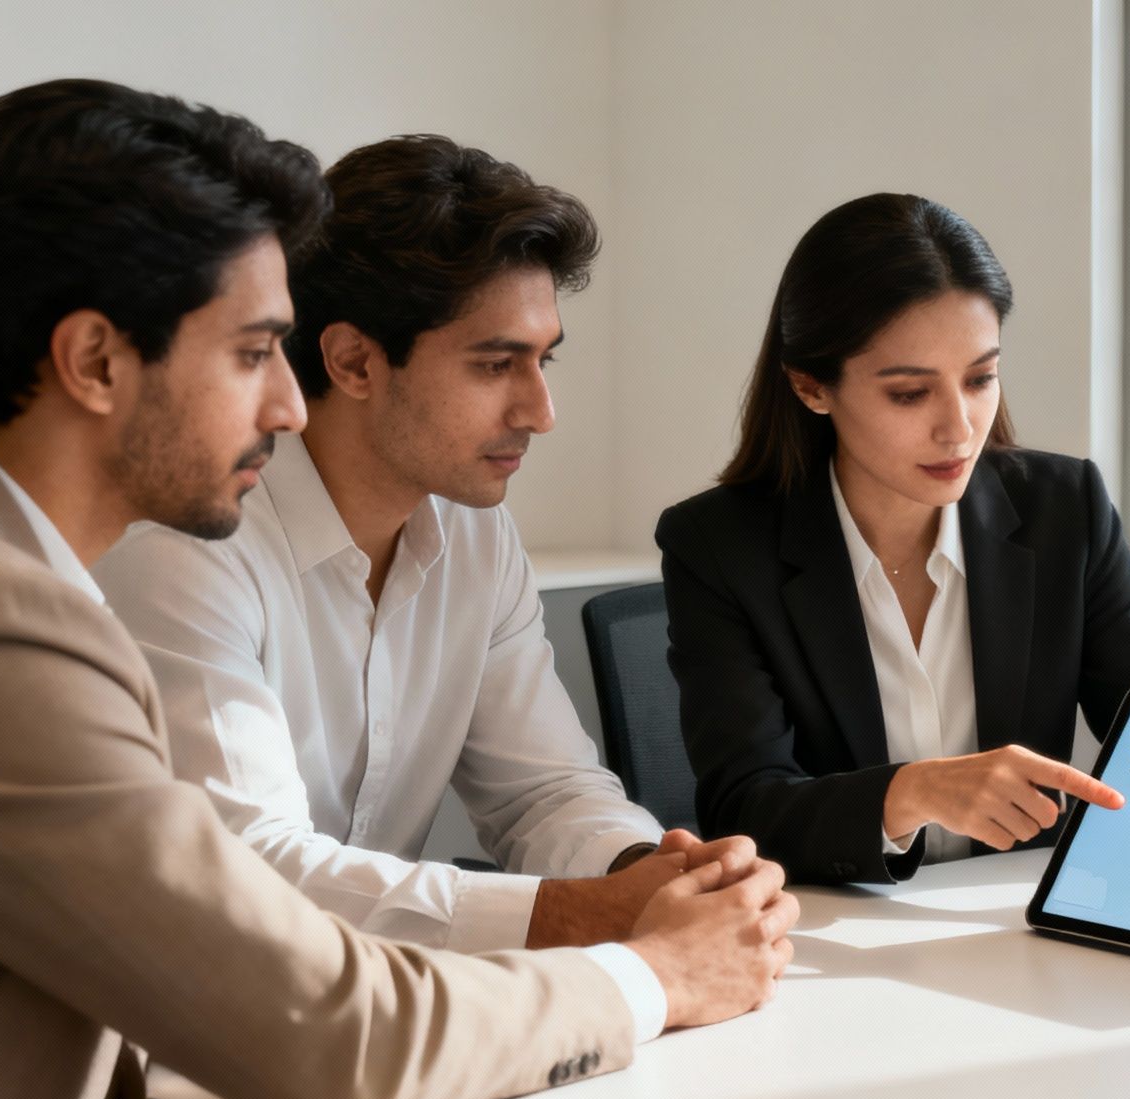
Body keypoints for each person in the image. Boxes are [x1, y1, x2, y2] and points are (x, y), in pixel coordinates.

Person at [0, 80, 794, 1099]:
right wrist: (648, 975)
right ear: (92, 360)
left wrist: (642, 886)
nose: (284, 404)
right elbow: (333, 1039)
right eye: (250, 351)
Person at [94, 134, 739, 956]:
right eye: (496, 364)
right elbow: (253, 870)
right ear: (355, 361)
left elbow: (542, 793)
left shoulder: (475, 532)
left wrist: (651, 871)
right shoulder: (187, 541)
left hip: (368, 1004)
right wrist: (588, 915)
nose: (541, 411)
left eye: (543, 361)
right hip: (177, 1030)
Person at [656, 192, 1130, 886]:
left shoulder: (1067, 509)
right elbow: (745, 806)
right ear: (811, 386)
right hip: (835, 937)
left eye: (980, 379)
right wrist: (912, 792)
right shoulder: (718, 546)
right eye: (910, 393)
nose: (960, 428)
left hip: (1013, 925)